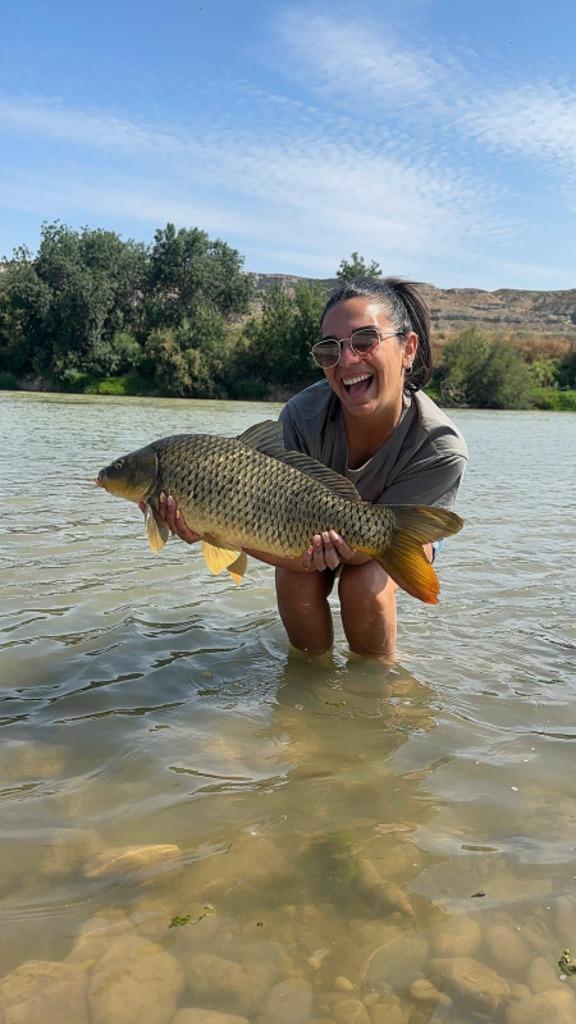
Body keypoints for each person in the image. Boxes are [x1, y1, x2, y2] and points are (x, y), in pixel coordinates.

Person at [153, 277, 468, 659]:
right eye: (329, 349)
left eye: (365, 341)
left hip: (396, 526)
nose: (347, 361)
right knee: (295, 579)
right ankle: (309, 689)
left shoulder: (440, 447)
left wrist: (351, 547)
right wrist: (209, 529)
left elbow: (368, 551)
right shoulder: (300, 417)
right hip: (306, 525)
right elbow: (259, 522)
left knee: (363, 585)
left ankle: (375, 689)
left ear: (408, 348)